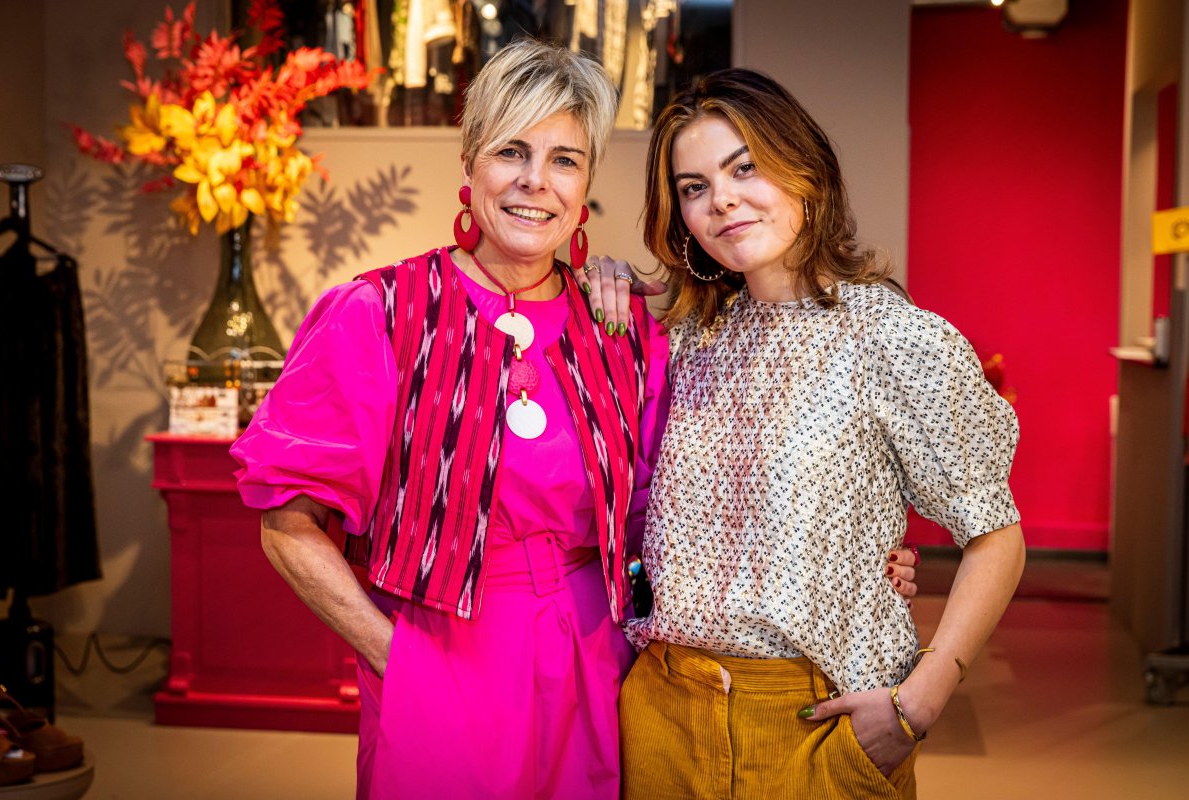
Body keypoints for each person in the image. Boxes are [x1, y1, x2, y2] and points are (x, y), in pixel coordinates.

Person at [232, 40, 918, 799]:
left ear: (588, 181)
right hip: (441, 650)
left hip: (603, 659)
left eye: (565, 159)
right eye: (511, 152)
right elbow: (286, 524)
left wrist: (859, 556)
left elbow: (699, 500)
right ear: (470, 163)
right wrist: (400, 662)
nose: (535, 182)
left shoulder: (624, 330)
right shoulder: (381, 313)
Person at [580, 69, 1025, 800]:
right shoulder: (685, 340)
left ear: (805, 171)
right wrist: (599, 280)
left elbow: (996, 536)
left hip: (813, 724)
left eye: (744, 168)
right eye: (693, 187)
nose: (720, 199)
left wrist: (921, 699)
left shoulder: (894, 339)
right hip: (661, 716)